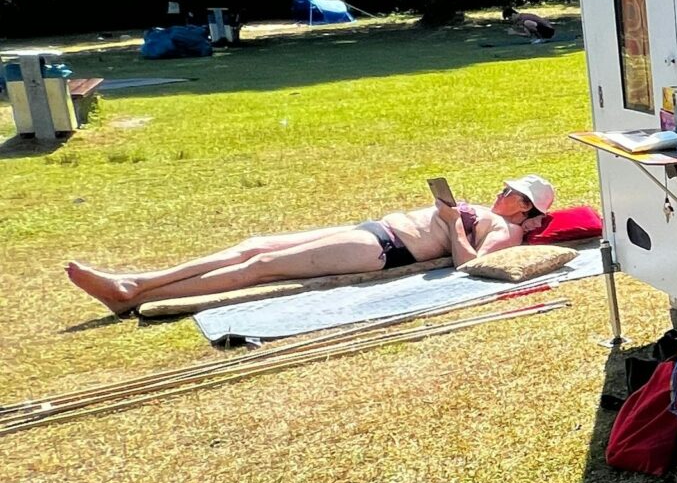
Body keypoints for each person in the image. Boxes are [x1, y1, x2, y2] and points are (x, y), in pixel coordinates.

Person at [66, 176, 559, 315]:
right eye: (507, 187)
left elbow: (470, 268)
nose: (503, 193)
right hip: (371, 229)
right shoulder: (498, 213)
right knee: (253, 244)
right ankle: (138, 282)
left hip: (383, 249)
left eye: (514, 195)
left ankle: (137, 293)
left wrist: (453, 225)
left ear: (527, 211)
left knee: (260, 265)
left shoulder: (506, 231)